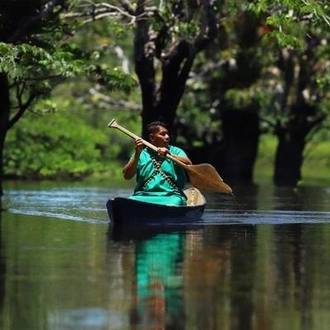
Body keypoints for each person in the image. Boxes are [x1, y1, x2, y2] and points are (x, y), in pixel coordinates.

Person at [123, 121, 192, 206]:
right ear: (152, 137)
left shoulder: (176, 151)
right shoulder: (140, 154)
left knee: (174, 203)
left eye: (167, 134)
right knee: (130, 201)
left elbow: (189, 164)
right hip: (143, 196)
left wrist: (170, 155)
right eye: (163, 134)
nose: (167, 137)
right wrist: (137, 153)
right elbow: (127, 176)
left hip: (172, 196)